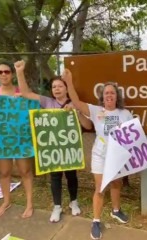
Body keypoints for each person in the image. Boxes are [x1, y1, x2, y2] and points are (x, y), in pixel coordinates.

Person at [14, 60, 92, 223]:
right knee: (55, 176)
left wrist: (76, 112)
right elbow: (26, 93)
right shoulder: (47, 102)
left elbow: (88, 125)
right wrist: (19, 72)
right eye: (54, 87)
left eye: (60, 86)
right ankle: (57, 206)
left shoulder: (74, 104)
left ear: (66, 88)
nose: (56, 89)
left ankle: (73, 201)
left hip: (69, 148)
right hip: (52, 148)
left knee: (72, 175)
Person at [63, 71, 132, 240]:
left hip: (118, 156)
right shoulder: (95, 110)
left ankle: (116, 210)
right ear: (102, 96)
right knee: (100, 188)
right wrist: (69, 82)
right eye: (106, 92)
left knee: (116, 183)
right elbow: (77, 103)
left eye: (112, 92)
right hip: (100, 155)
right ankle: (95, 221)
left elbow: (133, 137)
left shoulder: (125, 114)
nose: (109, 95)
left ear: (117, 96)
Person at [0, 62, 33, 218]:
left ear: (12, 74)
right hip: (1, 141)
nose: (3, 74)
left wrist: (24, 99)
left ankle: (29, 204)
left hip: (21, 139)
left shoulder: (21, 92)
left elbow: (33, 103)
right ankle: (6, 201)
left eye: (7, 71)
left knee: (25, 171)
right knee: (4, 172)